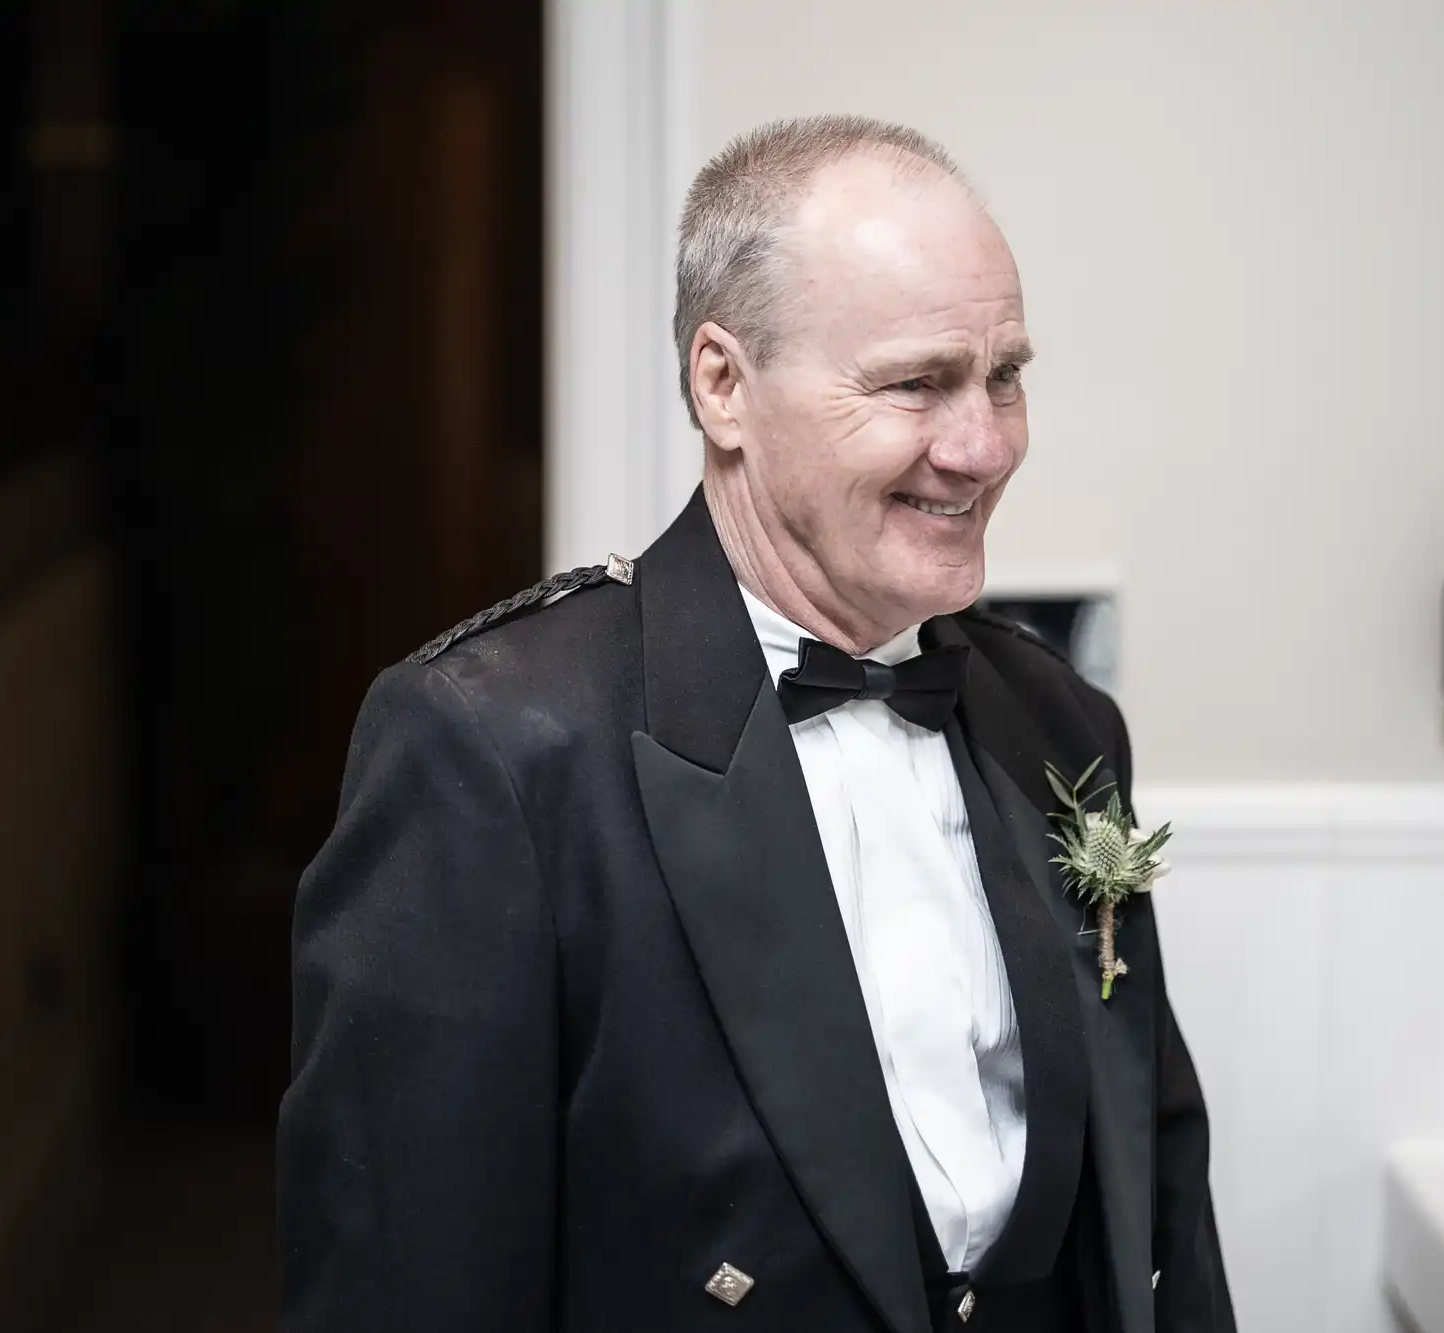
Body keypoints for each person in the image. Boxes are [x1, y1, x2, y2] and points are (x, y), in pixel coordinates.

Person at [278, 114, 1234, 1333]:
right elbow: (403, 1287)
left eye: (1003, 376)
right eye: (915, 383)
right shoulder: (492, 751)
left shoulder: (1055, 719)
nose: (983, 445)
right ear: (721, 384)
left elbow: (1156, 1203)